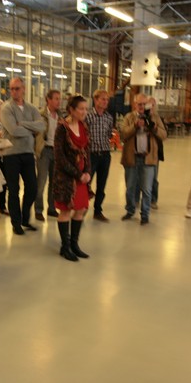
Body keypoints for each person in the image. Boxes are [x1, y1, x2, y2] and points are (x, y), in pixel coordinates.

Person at [0, 77, 45, 235]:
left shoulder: (31, 108)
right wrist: (31, 129)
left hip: (27, 153)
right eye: (11, 89)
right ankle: (16, 222)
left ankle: (25, 218)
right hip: (11, 154)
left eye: (17, 88)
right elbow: (14, 131)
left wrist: (23, 124)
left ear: (24, 89)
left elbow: (42, 126)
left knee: (32, 188)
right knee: (13, 190)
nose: (14, 92)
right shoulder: (6, 108)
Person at [53, 95, 92, 261]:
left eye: (86, 109)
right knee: (66, 211)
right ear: (71, 110)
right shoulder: (62, 128)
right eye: (81, 109)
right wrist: (78, 174)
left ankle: (74, 244)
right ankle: (65, 246)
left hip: (82, 177)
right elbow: (59, 158)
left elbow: (87, 151)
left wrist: (88, 171)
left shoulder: (84, 126)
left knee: (81, 209)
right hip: (67, 178)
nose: (84, 112)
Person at [120, 93, 167, 225]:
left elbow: (164, 135)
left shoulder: (155, 117)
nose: (142, 106)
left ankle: (145, 215)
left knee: (147, 189)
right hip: (131, 158)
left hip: (148, 159)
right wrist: (135, 126)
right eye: (139, 104)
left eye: (144, 104)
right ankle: (130, 210)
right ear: (134, 104)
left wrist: (154, 128)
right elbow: (123, 134)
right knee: (130, 188)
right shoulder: (129, 117)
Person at [85, 89, 114, 222]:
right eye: (103, 99)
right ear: (95, 100)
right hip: (91, 155)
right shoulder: (88, 116)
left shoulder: (109, 118)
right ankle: (82, 209)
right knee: (86, 183)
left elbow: (109, 134)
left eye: (107, 100)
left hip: (105, 155)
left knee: (101, 185)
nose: (105, 102)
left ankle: (98, 211)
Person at [34, 89, 61, 221]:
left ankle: (52, 208)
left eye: (59, 99)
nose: (58, 101)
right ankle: (38, 209)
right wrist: (37, 148)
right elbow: (35, 133)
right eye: (56, 98)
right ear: (48, 100)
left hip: (57, 151)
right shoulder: (40, 115)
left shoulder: (61, 117)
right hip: (44, 151)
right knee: (41, 182)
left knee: (54, 183)